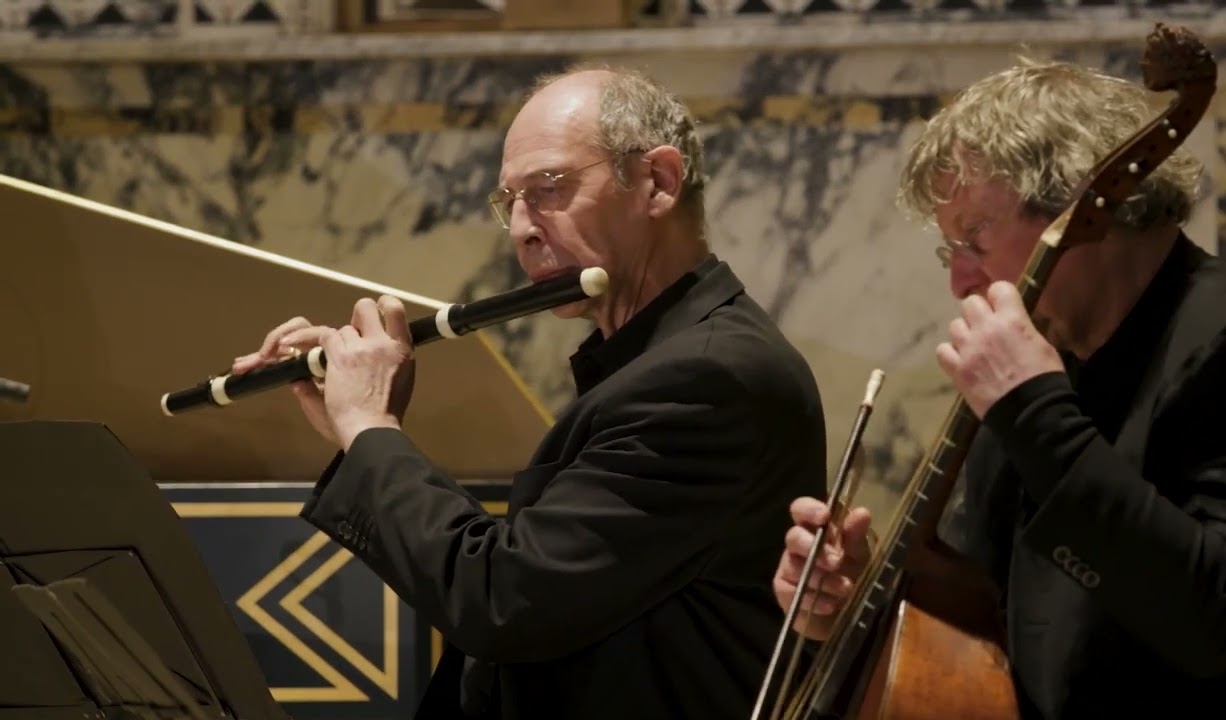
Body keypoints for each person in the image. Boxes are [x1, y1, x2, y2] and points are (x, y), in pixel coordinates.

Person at [233, 64, 828, 719]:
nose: (520, 228)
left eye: (548, 188)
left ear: (657, 181)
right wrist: (352, 423)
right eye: (509, 200)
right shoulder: (661, 362)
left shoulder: (709, 380)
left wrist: (372, 428)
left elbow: (501, 599)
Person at [773, 56, 1226, 718]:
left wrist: (1035, 412)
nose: (960, 282)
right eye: (949, 249)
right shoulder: (1046, 350)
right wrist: (860, 596)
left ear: (1080, 209)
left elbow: (1219, 619)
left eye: (975, 239)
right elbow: (990, 601)